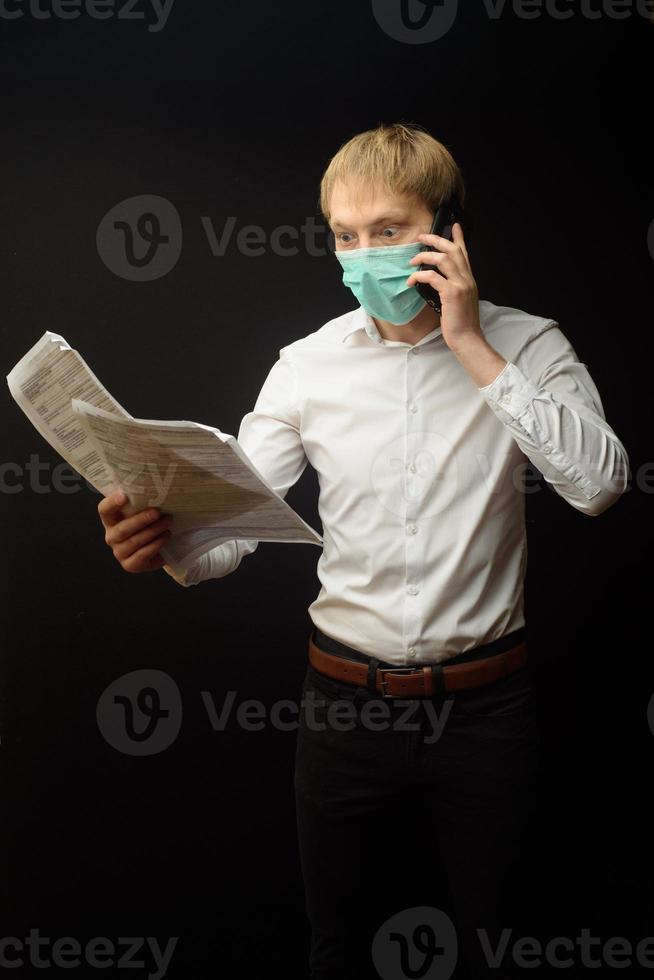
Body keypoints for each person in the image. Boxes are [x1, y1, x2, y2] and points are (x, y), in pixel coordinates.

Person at [97, 122, 629, 979]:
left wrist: (470, 346)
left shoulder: (527, 345)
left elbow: (599, 484)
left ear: (447, 233)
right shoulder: (306, 367)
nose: (362, 255)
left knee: (506, 941)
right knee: (339, 947)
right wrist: (164, 545)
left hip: (489, 715)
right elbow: (228, 530)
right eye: (345, 236)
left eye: (386, 231)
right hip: (343, 711)